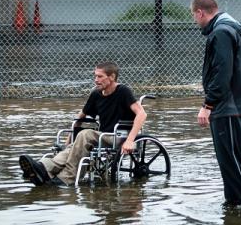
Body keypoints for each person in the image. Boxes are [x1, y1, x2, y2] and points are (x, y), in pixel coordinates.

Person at [18, 61, 147, 186]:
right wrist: (69, 140)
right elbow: (80, 118)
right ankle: (44, 168)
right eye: (95, 76)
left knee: (85, 134)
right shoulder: (96, 94)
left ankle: (66, 178)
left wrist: (130, 140)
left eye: (100, 76)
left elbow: (142, 114)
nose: (96, 79)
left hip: (119, 136)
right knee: (74, 147)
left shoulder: (123, 91)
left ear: (112, 77)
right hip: (102, 135)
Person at [192, 0, 241, 211]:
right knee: (232, 162)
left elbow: (222, 73)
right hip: (233, 107)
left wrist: (207, 105)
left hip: (227, 108)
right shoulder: (226, 29)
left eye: (195, 16)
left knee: (231, 163)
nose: (196, 21)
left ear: (200, 12)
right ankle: (233, 203)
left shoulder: (221, 32)